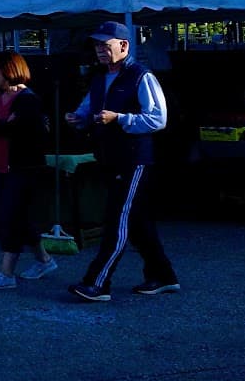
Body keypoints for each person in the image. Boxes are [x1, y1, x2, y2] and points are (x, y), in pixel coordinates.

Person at [62, 21, 179, 302]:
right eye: (97, 45)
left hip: (134, 159)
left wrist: (120, 118)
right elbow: (87, 109)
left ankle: (97, 283)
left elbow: (158, 119)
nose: (100, 50)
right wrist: (77, 119)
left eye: (106, 44)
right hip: (111, 158)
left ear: (124, 46)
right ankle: (163, 276)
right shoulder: (100, 78)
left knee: (118, 220)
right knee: (136, 222)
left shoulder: (141, 76)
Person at [0, 52, 57, 289]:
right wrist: (0, 125)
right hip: (1, 165)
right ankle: (44, 260)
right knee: (19, 216)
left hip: (23, 167)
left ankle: (6, 273)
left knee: (10, 216)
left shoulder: (27, 100)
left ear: (7, 70)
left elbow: (17, 130)